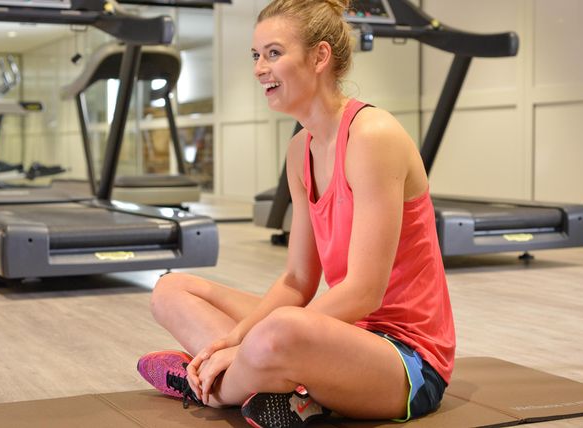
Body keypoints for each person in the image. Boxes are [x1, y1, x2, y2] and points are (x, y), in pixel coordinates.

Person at [137, 0, 455, 426]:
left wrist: (249, 340)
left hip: (404, 361)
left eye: (273, 53)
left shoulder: (372, 136)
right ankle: (255, 377)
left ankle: (213, 388)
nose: (259, 69)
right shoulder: (299, 150)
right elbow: (297, 280)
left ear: (320, 56)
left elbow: (364, 293)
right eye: (256, 56)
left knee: (282, 328)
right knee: (171, 290)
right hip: (340, 334)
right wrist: (235, 338)